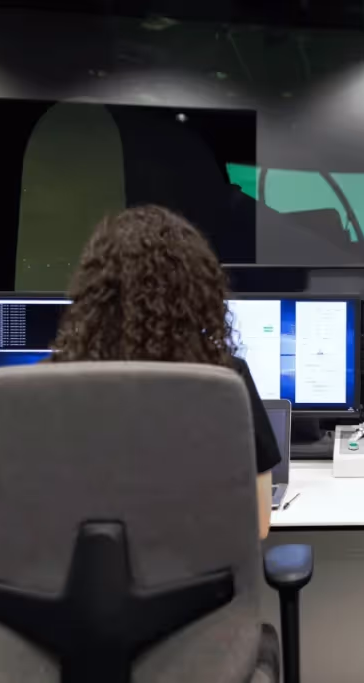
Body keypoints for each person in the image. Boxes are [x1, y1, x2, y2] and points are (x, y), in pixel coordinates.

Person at [50, 205, 280, 538]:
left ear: (93, 291)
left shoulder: (48, 388)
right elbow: (257, 525)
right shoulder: (226, 382)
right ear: (198, 294)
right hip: (194, 586)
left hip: (76, 586)